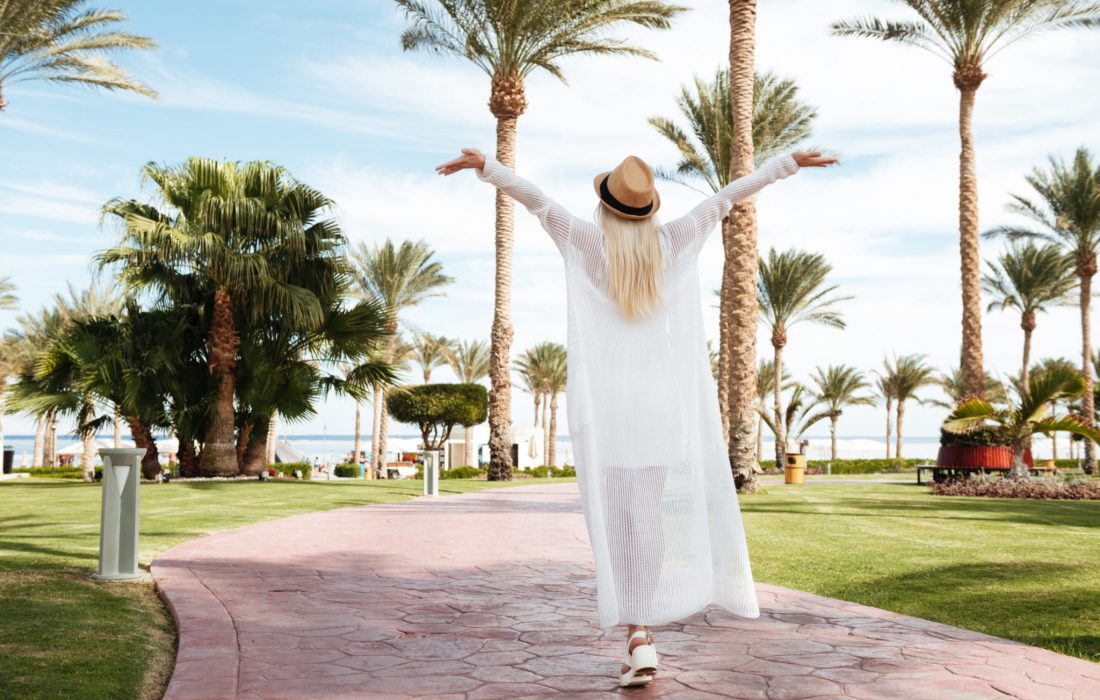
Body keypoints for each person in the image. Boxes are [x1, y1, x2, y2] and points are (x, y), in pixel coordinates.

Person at [436, 146, 836, 687]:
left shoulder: (582, 239)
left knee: (619, 528)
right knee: (645, 527)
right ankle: (641, 633)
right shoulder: (673, 240)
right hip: (659, 409)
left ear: (606, 206)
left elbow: (535, 200)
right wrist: (786, 163)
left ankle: (638, 634)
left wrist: (486, 167)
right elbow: (728, 197)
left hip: (609, 411)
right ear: (648, 209)